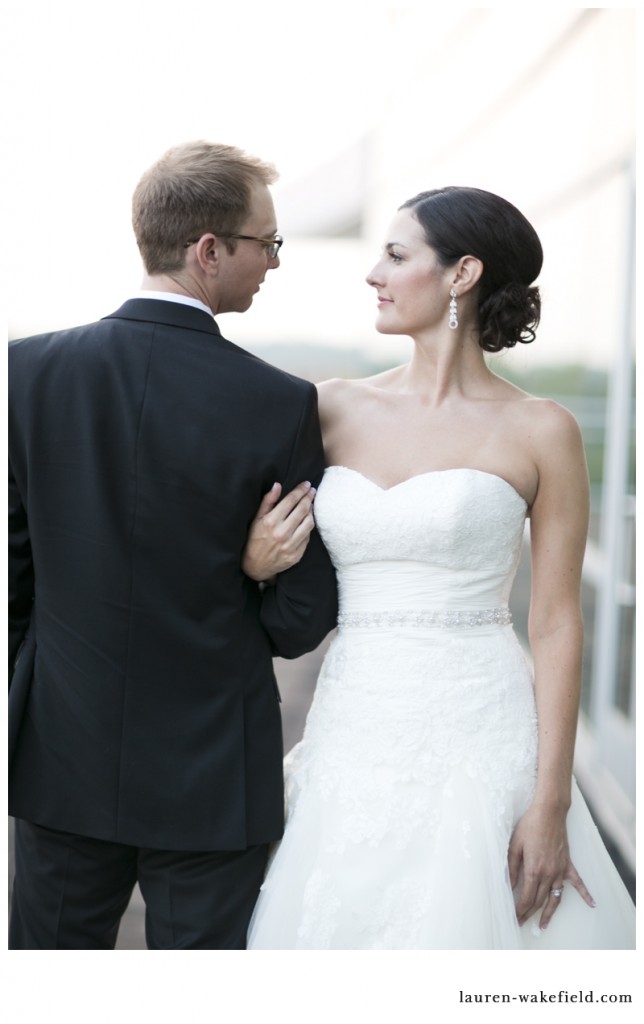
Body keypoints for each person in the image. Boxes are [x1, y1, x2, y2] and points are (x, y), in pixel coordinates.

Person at [245, 186, 636, 949]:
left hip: (483, 729)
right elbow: (256, 543)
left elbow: (556, 621)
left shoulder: (541, 429)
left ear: (461, 274)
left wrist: (551, 799)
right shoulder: (327, 409)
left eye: (396, 255)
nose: (373, 275)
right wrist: (257, 561)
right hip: (355, 722)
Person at [8, 140, 337, 949]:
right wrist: (252, 577)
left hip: (62, 755)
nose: (275, 262)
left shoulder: (26, 374)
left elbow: (15, 577)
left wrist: (47, 683)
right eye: (268, 243)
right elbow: (300, 618)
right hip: (214, 772)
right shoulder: (280, 402)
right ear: (208, 250)